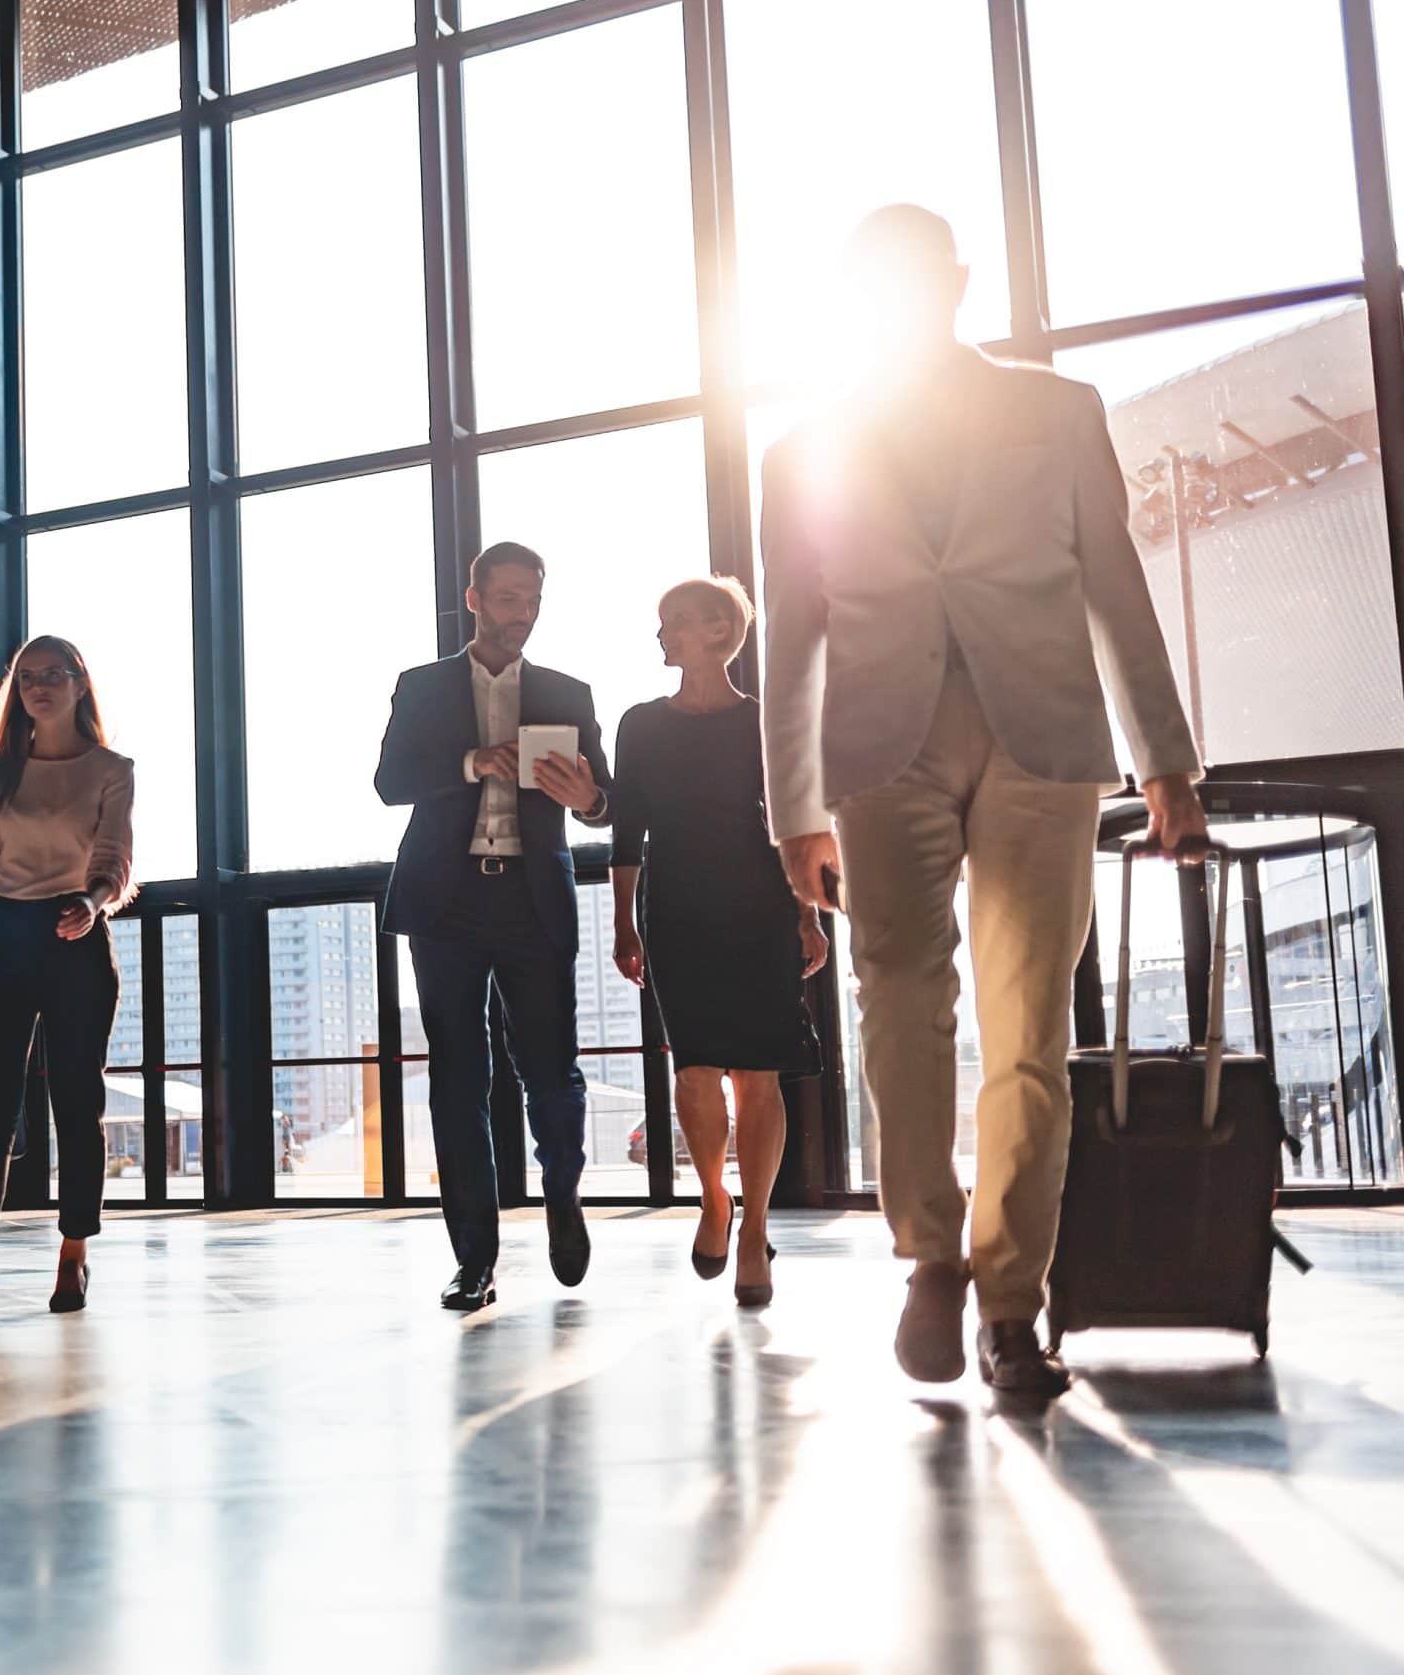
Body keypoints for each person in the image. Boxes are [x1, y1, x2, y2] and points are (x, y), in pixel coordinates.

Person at [758, 205, 1207, 1395]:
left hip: (1043, 738)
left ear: (959, 280)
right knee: (896, 1004)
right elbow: (792, 642)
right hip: (878, 748)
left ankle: (1012, 1304)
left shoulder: (1057, 411)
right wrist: (790, 807)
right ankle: (930, 1254)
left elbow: (1114, 581)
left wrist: (1165, 759)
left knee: (1029, 1035)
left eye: (920, 274)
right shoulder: (801, 451)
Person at [376, 542, 613, 1313]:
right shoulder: (422, 687)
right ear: (474, 599)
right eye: (508, 598)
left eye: (533, 600)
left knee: (552, 1069)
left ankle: (562, 1193)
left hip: (532, 898)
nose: (522, 613)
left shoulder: (567, 692)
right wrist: (474, 761)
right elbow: (389, 783)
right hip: (445, 902)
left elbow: (605, 800)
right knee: (458, 1080)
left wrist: (588, 798)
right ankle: (474, 1260)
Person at [609, 576, 828, 1311]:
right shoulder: (639, 723)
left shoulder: (764, 723)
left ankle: (756, 1226)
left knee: (758, 1072)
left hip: (759, 901)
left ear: (716, 631)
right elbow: (626, 829)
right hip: (676, 905)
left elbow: (792, 824)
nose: (661, 635)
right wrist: (622, 920)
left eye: (672, 622)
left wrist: (808, 915)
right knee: (696, 1066)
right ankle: (714, 1199)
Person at [0, 637, 135, 1316]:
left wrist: (91, 901)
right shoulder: (0, 773)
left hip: (73, 935)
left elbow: (114, 861)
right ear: (16, 693)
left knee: (78, 1103)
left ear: (81, 684)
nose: (40, 687)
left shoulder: (111, 768)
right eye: (27, 679)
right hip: (1, 938)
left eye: (54, 676)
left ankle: (74, 1256)